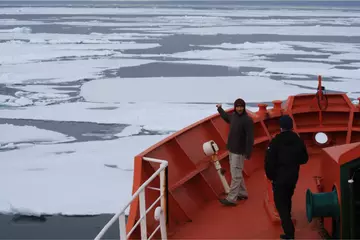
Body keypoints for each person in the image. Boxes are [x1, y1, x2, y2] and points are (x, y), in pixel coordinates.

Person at [264, 115, 309, 239]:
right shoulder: (298, 140)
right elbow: (304, 159)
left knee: (280, 205)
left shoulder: (276, 141)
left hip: (279, 178)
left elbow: (269, 161)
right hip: (293, 176)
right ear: (292, 126)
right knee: (288, 198)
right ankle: (288, 223)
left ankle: (289, 233)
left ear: (281, 127)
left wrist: (271, 176)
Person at [216, 98, 254, 206]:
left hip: (239, 151)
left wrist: (248, 151)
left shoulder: (247, 120)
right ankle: (242, 193)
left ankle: (231, 198)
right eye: (237, 106)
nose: (239, 108)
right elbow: (226, 118)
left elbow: (250, 138)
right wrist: (220, 109)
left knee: (236, 175)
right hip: (232, 150)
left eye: (241, 106)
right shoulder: (233, 117)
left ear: (244, 107)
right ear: (235, 107)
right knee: (236, 172)